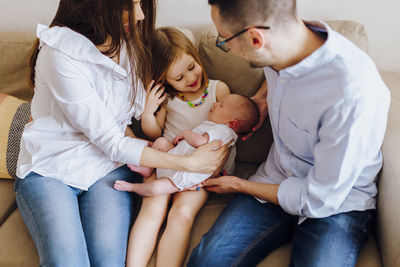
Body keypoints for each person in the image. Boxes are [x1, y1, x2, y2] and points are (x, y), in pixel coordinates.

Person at [14, 1, 229, 267]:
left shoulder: (129, 44)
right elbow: (111, 140)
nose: (139, 15)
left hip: (107, 168)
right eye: (131, 5)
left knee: (109, 263)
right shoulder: (59, 53)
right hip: (51, 170)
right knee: (68, 263)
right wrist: (187, 163)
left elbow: (124, 124)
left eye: (141, 4)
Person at [188, 0, 391, 266]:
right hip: (277, 176)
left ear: (256, 39)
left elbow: (320, 198)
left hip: (336, 202)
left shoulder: (351, 94)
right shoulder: (283, 49)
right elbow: (281, 77)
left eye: (225, 41)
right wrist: (261, 101)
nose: (229, 50)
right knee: (207, 261)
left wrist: (240, 184)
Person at [114, 26, 234, 267]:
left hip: (200, 172)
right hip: (166, 162)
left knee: (181, 214)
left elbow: (228, 135)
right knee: (152, 208)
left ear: (196, 56)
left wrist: (209, 171)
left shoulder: (217, 91)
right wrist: (148, 111)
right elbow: (154, 133)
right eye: (179, 78)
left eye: (191, 67)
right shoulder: (169, 100)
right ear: (164, 80)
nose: (191, 78)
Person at [114, 94, 259, 196]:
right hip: (178, 157)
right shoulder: (220, 128)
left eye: (220, 106)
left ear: (232, 123)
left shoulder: (223, 131)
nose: (215, 104)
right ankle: (147, 168)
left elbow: (201, 142)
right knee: (161, 142)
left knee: (155, 189)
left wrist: (185, 134)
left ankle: (133, 187)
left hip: (182, 176)